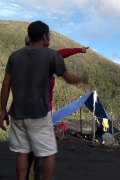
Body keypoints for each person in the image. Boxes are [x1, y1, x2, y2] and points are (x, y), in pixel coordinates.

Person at [0, 20, 88, 180]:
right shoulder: (52, 55)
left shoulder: (15, 56)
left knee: (22, 152)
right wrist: (81, 79)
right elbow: (69, 79)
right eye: (49, 34)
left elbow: (5, 84)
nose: (50, 37)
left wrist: (1, 110)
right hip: (39, 114)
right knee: (48, 153)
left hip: (17, 114)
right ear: (43, 36)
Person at [25, 36, 89, 179]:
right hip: (41, 109)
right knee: (45, 148)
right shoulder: (46, 57)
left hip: (25, 109)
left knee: (28, 147)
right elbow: (61, 54)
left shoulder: (21, 58)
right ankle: (38, 175)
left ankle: (30, 175)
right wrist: (80, 50)